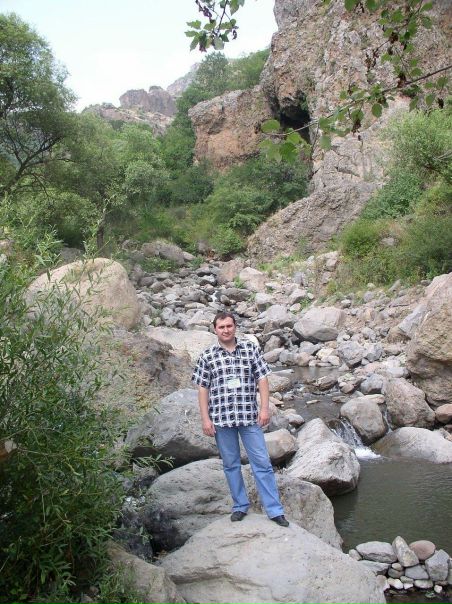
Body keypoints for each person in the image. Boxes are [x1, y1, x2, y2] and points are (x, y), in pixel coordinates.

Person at [192, 310, 289, 527]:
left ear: (235, 327)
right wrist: (205, 419)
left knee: (262, 463)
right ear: (215, 329)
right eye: (221, 327)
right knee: (231, 465)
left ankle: (274, 510)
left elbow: (262, 379)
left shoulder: (250, 349)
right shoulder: (207, 356)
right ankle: (240, 506)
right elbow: (202, 388)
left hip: (249, 417)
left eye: (229, 326)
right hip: (221, 419)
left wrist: (264, 409)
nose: (226, 330)